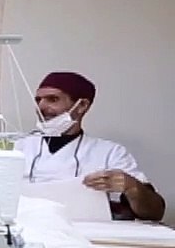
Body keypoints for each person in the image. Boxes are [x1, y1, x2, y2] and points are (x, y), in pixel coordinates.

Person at [16, 71, 164, 221]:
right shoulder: (17, 147)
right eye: (38, 100)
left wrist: (132, 187)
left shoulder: (110, 153)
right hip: (25, 227)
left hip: (85, 231)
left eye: (53, 99)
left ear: (82, 106)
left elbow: (155, 212)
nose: (41, 106)